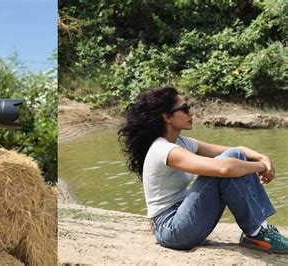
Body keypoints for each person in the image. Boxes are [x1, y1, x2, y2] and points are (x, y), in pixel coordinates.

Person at [118, 86, 288, 254]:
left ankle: (259, 228)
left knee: (233, 155)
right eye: (184, 109)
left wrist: (262, 157)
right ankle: (257, 232)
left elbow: (237, 150)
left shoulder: (181, 142)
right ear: (167, 117)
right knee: (225, 166)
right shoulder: (164, 150)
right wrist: (260, 166)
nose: (191, 112)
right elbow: (223, 168)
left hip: (183, 216)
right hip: (171, 229)